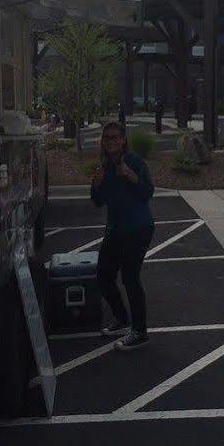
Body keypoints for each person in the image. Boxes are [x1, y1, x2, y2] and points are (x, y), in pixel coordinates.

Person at [90, 121, 155, 350]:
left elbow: (148, 192)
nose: (111, 141)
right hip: (116, 229)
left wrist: (130, 175)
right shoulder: (105, 166)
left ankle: (139, 332)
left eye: (116, 137)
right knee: (103, 275)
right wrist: (96, 184)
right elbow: (98, 201)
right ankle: (121, 318)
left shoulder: (134, 162)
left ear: (123, 140)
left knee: (130, 277)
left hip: (139, 227)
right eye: (107, 138)